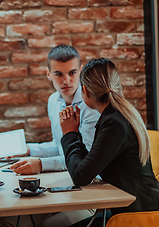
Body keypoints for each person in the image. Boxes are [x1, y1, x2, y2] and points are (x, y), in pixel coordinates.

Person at [0, 45, 100, 227]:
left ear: (81, 72)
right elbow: (59, 146)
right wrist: (27, 150)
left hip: (89, 193)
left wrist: (41, 164)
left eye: (72, 73)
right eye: (58, 74)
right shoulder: (53, 101)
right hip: (62, 187)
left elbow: (84, 159)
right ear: (48, 74)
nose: (66, 80)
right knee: (6, 221)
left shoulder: (90, 105)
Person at [59, 58, 159, 226]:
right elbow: (89, 165)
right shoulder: (117, 116)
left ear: (85, 91)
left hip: (139, 215)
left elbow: (79, 176)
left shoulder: (114, 123)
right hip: (134, 208)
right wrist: (74, 134)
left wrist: (69, 134)